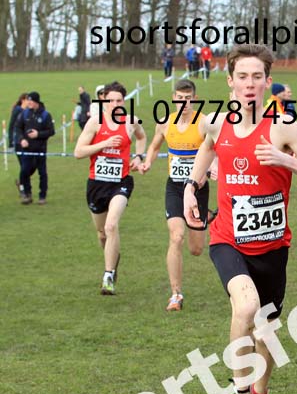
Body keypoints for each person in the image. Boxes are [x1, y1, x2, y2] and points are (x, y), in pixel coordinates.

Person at [182, 44, 297, 394]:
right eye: (242, 76)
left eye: (257, 77)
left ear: (268, 82)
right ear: (230, 80)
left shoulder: (283, 126)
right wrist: (191, 186)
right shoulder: (216, 122)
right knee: (244, 307)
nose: (250, 84)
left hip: (272, 248)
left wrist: (287, 162)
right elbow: (207, 149)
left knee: (266, 334)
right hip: (227, 239)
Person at [74, 82, 147, 294]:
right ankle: (112, 256)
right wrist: (103, 144)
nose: (115, 104)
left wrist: (138, 155)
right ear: (103, 101)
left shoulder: (131, 121)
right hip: (97, 184)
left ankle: (108, 275)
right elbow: (78, 152)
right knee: (102, 233)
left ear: (124, 101)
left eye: (119, 101)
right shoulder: (95, 123)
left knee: (111, 226)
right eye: (110, 100)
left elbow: (142, 137)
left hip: (121, 182)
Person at [144, 79, 211, 311]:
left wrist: (208, 172)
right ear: (174, 98)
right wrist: (147, 162)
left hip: (198, 190)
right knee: (176, 236)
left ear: (194, 99)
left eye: (188, 98)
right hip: (175, 188)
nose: (184, 103)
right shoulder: (165, 123)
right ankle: (175, 295)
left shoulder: (203, 124)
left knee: (196, 249)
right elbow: (153, 146)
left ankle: (207, 217)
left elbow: (217, 150)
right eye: (180, 98)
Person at [14, 91, 55, 205]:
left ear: (36, 102)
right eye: (28, 100)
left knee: (42, 173)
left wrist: (38, 134)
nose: (29, 103)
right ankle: (27, 194)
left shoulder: (45, 115)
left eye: (31, 100)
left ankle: (42, 196)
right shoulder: (24, 114)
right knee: (24, 171)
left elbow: (51, 131)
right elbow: (18, 128)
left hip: (40, 149)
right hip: (26, 150)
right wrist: (22, 139)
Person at [10, 94, 27, 200]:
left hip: (26, 143)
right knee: (24, 167)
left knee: (28, 167)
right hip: (18, 143)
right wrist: (10, 142)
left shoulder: (26, 111)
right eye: (27, 100)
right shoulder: (18, 110)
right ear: (22, 100)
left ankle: (22, 183)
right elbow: (12, 126)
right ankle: (23, 189)